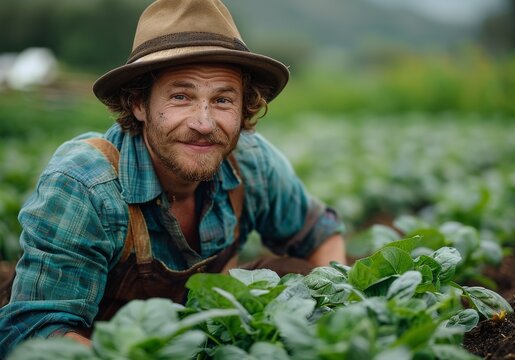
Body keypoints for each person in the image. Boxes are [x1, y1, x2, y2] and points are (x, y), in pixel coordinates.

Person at [0, 0, 346, 354]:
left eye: (223, 100)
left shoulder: (251, 163)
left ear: (244, 108)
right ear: (139, 103)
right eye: (181, 96)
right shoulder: (85, 184)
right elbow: (35, 331)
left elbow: (319, 235)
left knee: (298, 274)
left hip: (196, 338)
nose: (204, 123)